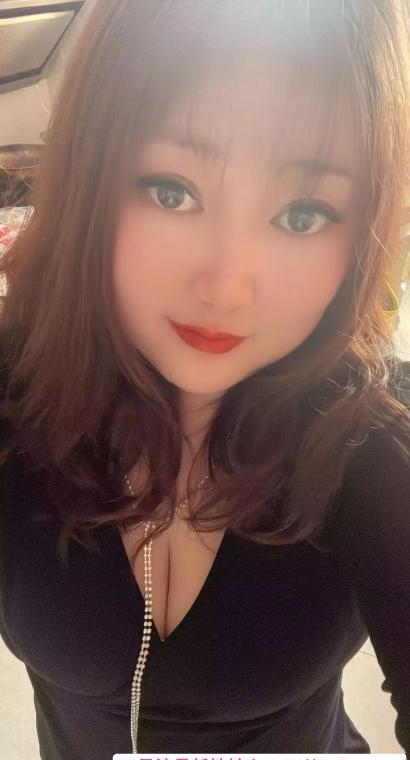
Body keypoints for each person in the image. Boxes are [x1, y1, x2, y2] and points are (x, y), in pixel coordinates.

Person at [0, 1, 409, 758]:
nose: (226, 286)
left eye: (303, 214)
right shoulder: (15, 391)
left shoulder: (374, 436)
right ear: (90, 179)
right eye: (171, 190)